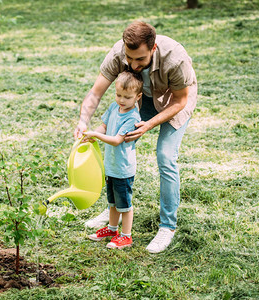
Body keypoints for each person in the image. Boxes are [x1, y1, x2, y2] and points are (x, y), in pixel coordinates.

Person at [76, 21, 197, 253]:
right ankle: (116, 211)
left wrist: (148, 124)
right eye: (129, 58)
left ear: (153, 49)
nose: (133, 64)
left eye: (140, 60)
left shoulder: (175, 58)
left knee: (165, 156)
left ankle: (167, 226)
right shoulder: (118, 53)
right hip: (138, 99)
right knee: (115, 145)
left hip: (174, 101)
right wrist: (83, 121)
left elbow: (181, 100)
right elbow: (96, 91)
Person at [85, 71, 142, 249]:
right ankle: (112, 229)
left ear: (138, 97)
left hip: (123, 168)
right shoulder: (113, 108)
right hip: (111, 166)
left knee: (124, 204)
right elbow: (104, 126)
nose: (121, 100)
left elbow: (117, 140)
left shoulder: (133, 117)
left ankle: (126, 236)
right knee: (113, 202)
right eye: (118, 95)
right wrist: (93, 134)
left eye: (127, 97)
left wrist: (96, 135)